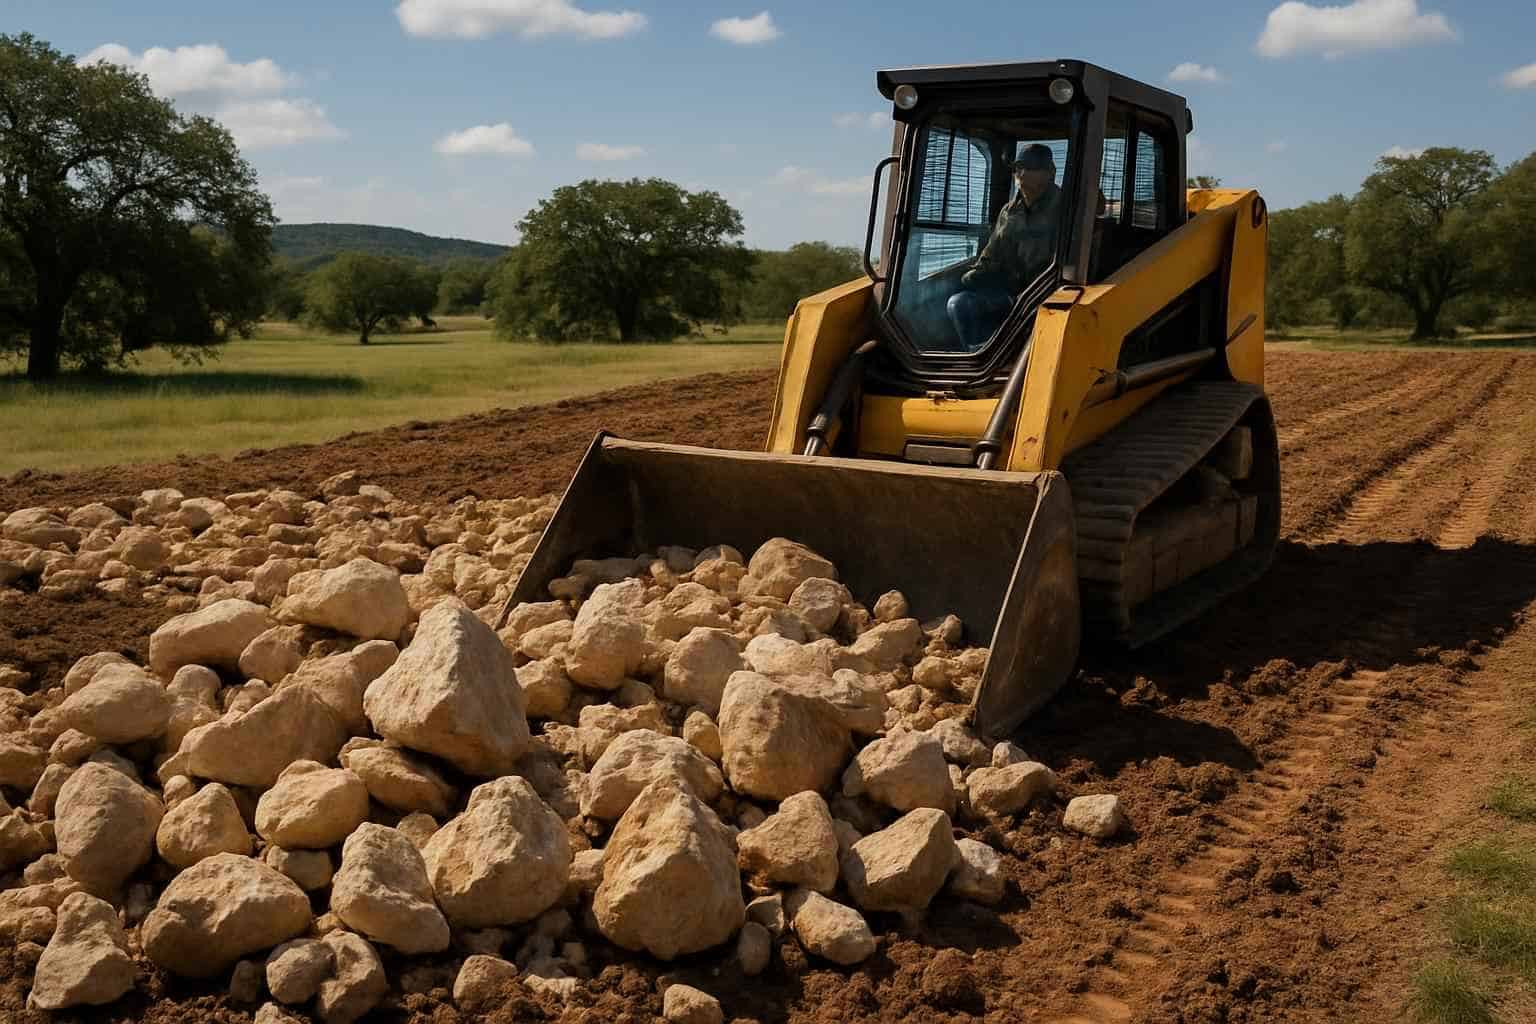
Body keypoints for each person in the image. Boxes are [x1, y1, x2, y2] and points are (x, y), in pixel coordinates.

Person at [946, 143, 1064, 350]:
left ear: (1050, 172)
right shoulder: (1008, 212)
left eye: (1030, 166)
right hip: (1011, 294)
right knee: (959, 303)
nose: (1021, 173)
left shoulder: (1067, 207)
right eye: (1018, 167)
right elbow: (992, 254)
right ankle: (979, 358)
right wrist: (972, 275)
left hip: (1049, 297)